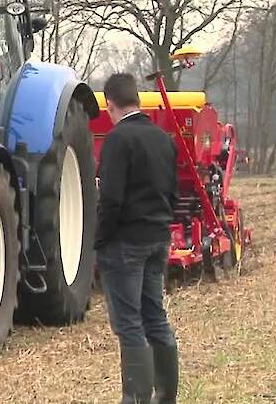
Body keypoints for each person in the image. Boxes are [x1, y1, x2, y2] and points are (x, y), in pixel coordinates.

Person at [96, 73, 179, 404]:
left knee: (129, 323)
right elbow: (173, 193)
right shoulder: (163, 138)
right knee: (155, 317)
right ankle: (165, 397)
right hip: (158, 238)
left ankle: (135, 399)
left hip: (125, 243)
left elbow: (111, 198)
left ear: (110, 104)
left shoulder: (118, 140)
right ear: (139, 101)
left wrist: (100, 239)